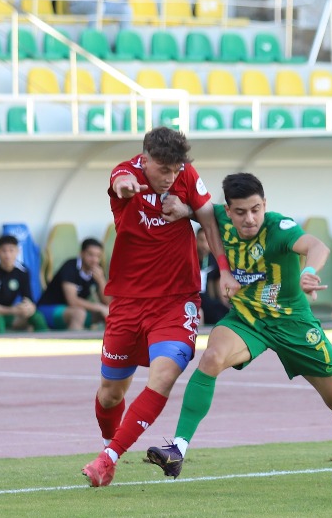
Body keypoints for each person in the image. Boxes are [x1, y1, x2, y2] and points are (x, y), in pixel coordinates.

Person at [143, 172, 332, 484]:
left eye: (256, 209)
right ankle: (178, 450)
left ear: (265, 204)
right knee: (211, 358)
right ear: (229, 210)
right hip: (247, 318)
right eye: (241, 212)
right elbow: (199, 210)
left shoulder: (279, 227)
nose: (249, 219)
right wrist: (182, 209)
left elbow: (317, 246)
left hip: (293, 323)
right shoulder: (219, 217)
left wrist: (308, 271)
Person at [81, 127, 233, 489]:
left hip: (177, 301)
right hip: (128, 303)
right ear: (145, 159)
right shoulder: (127, 174)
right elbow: (119, 181)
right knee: (110, 393)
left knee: (163, 377)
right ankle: (111, 443)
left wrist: (223, 267)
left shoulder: (185, 176)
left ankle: (108, 458)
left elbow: (209, 219)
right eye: (163, 170)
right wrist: (125, 188)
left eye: (176, 170)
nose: (170, 177)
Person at [39, 237, 108, 330]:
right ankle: (75, 339)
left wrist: (101, 281)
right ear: (81, 253)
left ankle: (108, 340)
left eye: (98, 256)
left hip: (73, 310)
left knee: (110, 313)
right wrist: (99, 307)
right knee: (79, 314)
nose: (94, 260)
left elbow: (107, 303)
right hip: (48, 309)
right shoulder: (70, 266)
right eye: (90, 255)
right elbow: (72, 301)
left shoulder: (97, 271)